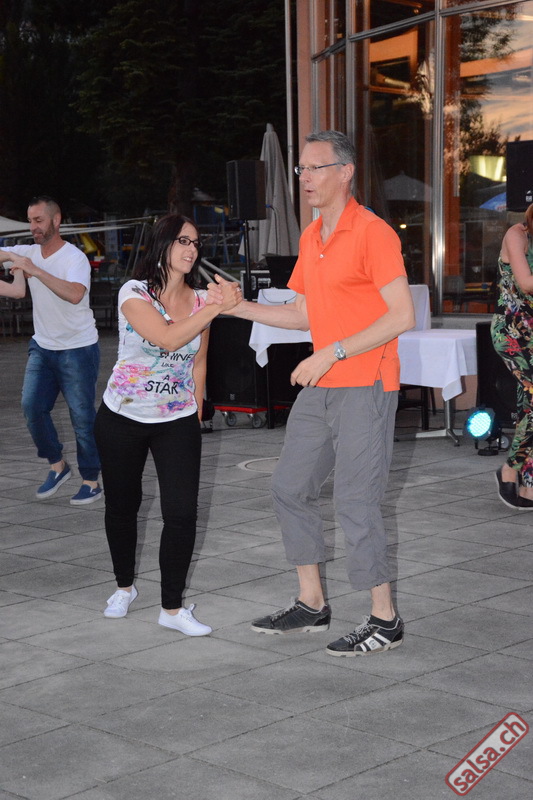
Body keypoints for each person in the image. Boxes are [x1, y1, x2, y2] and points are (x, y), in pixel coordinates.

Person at [210, 130, 415, 656]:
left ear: (345, 172)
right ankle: (311, 603)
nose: (304, 178)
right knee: (289, 486)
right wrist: (239, 307)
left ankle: (385, 618)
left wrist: (332, 352)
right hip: (323, 385)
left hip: (366, 382)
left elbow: (401, 315)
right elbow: (303, 313)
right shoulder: (311, 236)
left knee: (355, 500)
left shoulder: (372, 233)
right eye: (300, 169)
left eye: (315, 168)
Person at [94, 214, 241, 634]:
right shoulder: (134, 292)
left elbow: (199, 359)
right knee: (123, 506)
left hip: (175, 419)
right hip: (122, 415)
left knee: (181, 513)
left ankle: (172, 609)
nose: (191, 249)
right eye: (182, 241)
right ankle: (124, 587)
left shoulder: (200, 300)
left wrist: (196, 412)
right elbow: (167, 337)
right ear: (162, 244)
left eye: (195, 242)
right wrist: (215, 307)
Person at [0, 196, 102, 505]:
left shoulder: (74, 258)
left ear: (56, 221)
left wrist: (36, 270)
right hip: (43, 347)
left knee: (82, 418)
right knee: (32, 407)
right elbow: (17, 288)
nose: (33, 227)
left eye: (39, 220)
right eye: (30, 221)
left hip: (78, 348)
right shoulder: (26, 252)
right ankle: (58, 466)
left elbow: (75, 294)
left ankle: (91, 481)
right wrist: (15, 260)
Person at [492, 203, 533, 509]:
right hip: (511, 331)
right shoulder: (516, 234)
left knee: (528, 407)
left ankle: (529, 486)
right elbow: (526, 283)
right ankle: (510, 467)